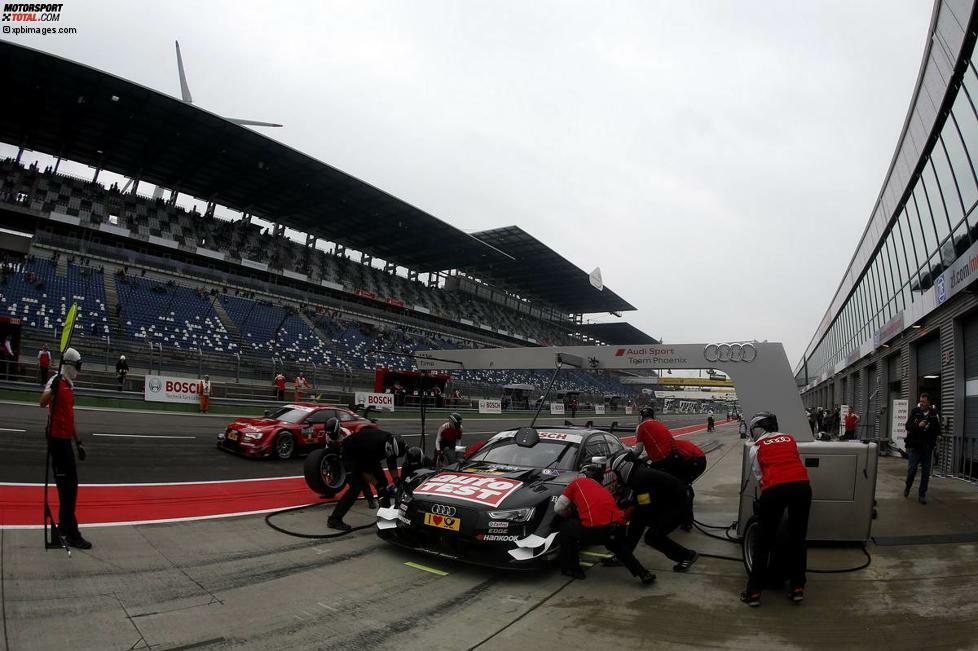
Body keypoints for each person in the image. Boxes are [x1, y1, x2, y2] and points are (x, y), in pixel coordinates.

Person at [741, 412, 812, 607]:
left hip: (775, 488)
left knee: (763, 541)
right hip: (802, 486)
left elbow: (759, 476)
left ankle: (754, 591)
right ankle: (798, 587)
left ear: (759, 428)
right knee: (798, 538)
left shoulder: (756, 447)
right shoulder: (790, 439)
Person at [553, 468, 655, 584]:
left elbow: (558, 508)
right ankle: (643, 573)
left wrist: (568, 514)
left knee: (565, 528)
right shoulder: (601, 488)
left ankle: (573, 569)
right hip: (615, 527)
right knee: (619, 547)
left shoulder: (575, 483)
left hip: (593, 530)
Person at [609, 451, 698, 571]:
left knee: (653, 536)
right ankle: (624, 555)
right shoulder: (639, 473)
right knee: (637, 520)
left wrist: (627, 513)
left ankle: (687, 556)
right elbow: (643, 500)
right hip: (673, 501)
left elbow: (644, 507)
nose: (618, 477)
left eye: (617, 473)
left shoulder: (639, 478)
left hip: (678, 505)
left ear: (623, 468)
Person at [40, 347, 91, 549]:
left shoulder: (69, 385)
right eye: (77, 365)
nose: (79, 369)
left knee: (69, 488)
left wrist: (78, 441)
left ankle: (63, 527)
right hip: (57, 442)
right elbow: (42, 403)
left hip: (66, 441)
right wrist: (52, 392)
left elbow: (70, 418)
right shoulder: (55, 381)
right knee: (68, 490)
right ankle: (72, 533)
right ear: (69, 364)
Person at [328, 428, 405, 531]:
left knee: (384, 485)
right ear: (388, 448)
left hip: (370, 456)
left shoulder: (391, 442)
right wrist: (377, 485)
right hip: (352, 453)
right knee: (356, 488)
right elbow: (365, 471)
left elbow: (392, 462)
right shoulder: (371, 446)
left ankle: (386, 520)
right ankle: (334, 519)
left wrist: (396, 480)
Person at [324, 418, 377, 508]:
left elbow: (350, 452)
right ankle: (330, 492)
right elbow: (328, 448)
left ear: (337, 429)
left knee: (360, 477)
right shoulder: (328, 435)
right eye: (329, 434)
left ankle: (370, 500)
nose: (330, 436)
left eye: (332, 434)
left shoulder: (346, 434)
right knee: (333, 470)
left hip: (353, 453)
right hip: (338, 452)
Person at [904, 393, 940, 505]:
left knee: (925, 472)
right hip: (915, 446)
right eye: (921, 401)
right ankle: (908, 486)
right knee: (912, 470)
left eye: (924, 402)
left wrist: (939, 435)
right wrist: (918, 425)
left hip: (927, 447)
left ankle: (922, 495)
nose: (922, 404)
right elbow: (907, 426)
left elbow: (937, 428)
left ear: (929, 402)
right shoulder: (915, 411)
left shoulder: (934, 414)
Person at [672, 438, 707, 530]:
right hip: (698, 459)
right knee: (683, 486)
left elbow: (678, 461)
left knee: (683, 488)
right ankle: (685, 519)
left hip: (696, 461)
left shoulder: (672, 447)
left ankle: (686, 521)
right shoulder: (673, 443)